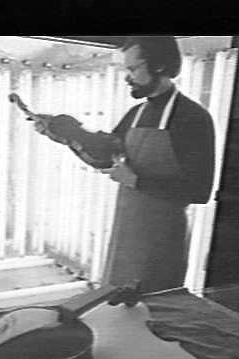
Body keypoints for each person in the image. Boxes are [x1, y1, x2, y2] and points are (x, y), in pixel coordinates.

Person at [32, 36, 215, 292]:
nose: (127, 78)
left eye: (133, 69)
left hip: (163, 239)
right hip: (127, 232)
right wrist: (67, 135)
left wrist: (136, 181)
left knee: (153, 304)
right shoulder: (136, 113)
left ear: (159, 66)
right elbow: (106, 156)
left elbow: (199, 191)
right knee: (118, 302)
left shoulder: (193, 118)